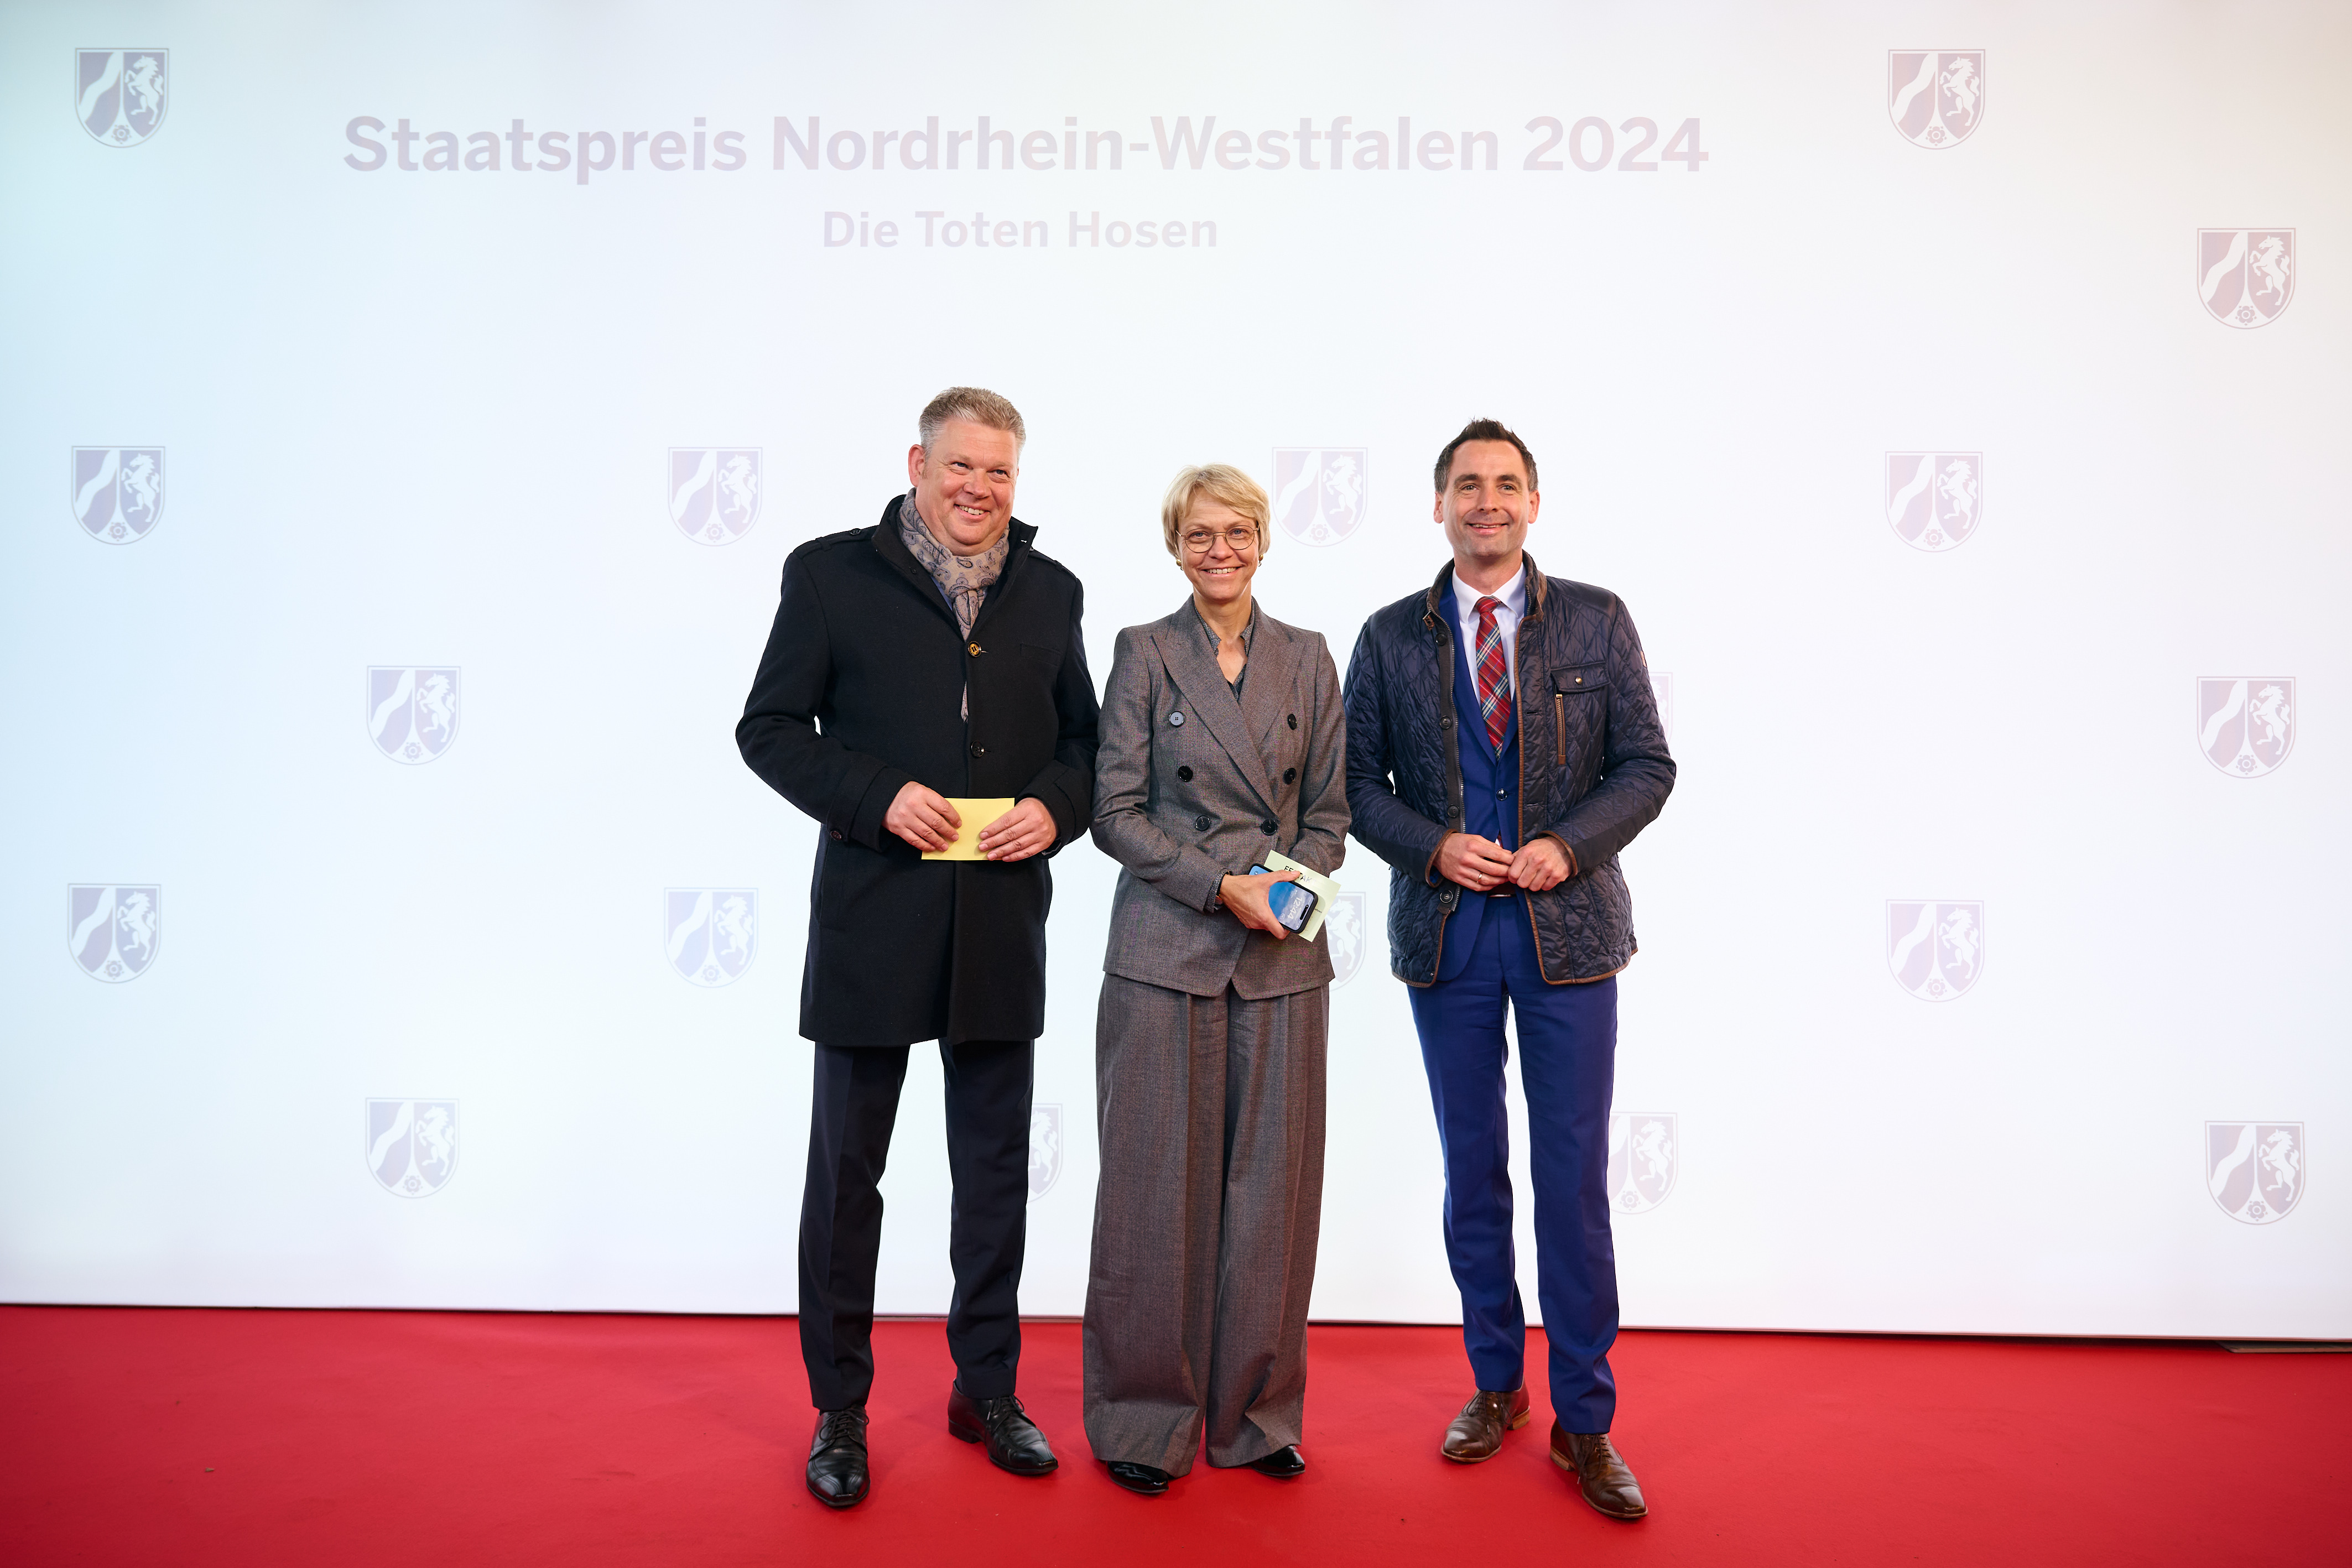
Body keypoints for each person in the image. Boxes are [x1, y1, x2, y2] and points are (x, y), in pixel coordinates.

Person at [735, 387, 1100, 1510]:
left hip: (999, 924)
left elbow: (1085, 744)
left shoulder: (1052, 590)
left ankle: (986, 1389)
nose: (979, 488)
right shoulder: (828, 573)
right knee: (848, 1176)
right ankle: (838, 1407)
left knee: (994, 1174)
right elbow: (767, 729)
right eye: (960, 466)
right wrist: (875, 794)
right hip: (872, 919)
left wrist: (1054, 806)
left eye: (999, 471)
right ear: (917, 464)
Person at [1341, 420, 1673, 1519]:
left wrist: (1568, 844)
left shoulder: (1596, 617)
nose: (1486, 501)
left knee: (1570, 1180)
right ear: (1438, 505)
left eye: (1505, 483)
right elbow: (1354, 787)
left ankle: (1585, 1417)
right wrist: (1431, 844)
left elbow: (1646, 764)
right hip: (1447, 935)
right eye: (1466, 485)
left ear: (1533, 502)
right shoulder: (1390, 635)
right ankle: (1496, 1384)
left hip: (1567, 937)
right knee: (1472, 1168)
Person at [1083, 464, 1350, 1497]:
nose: (1220, 550)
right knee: (1150, 1191)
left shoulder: (1308, 656)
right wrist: (1218, 886)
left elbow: (1329, 813)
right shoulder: (1144, 651)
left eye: (1237, 532)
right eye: (1200, 534)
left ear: (1264, 540)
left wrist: (1280, 890)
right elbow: (1114, 811)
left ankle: (1258, 1417)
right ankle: (1144, 1418)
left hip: (1281, 955)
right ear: (1175, 546)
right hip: (1165, 949)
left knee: (1275, 1195)